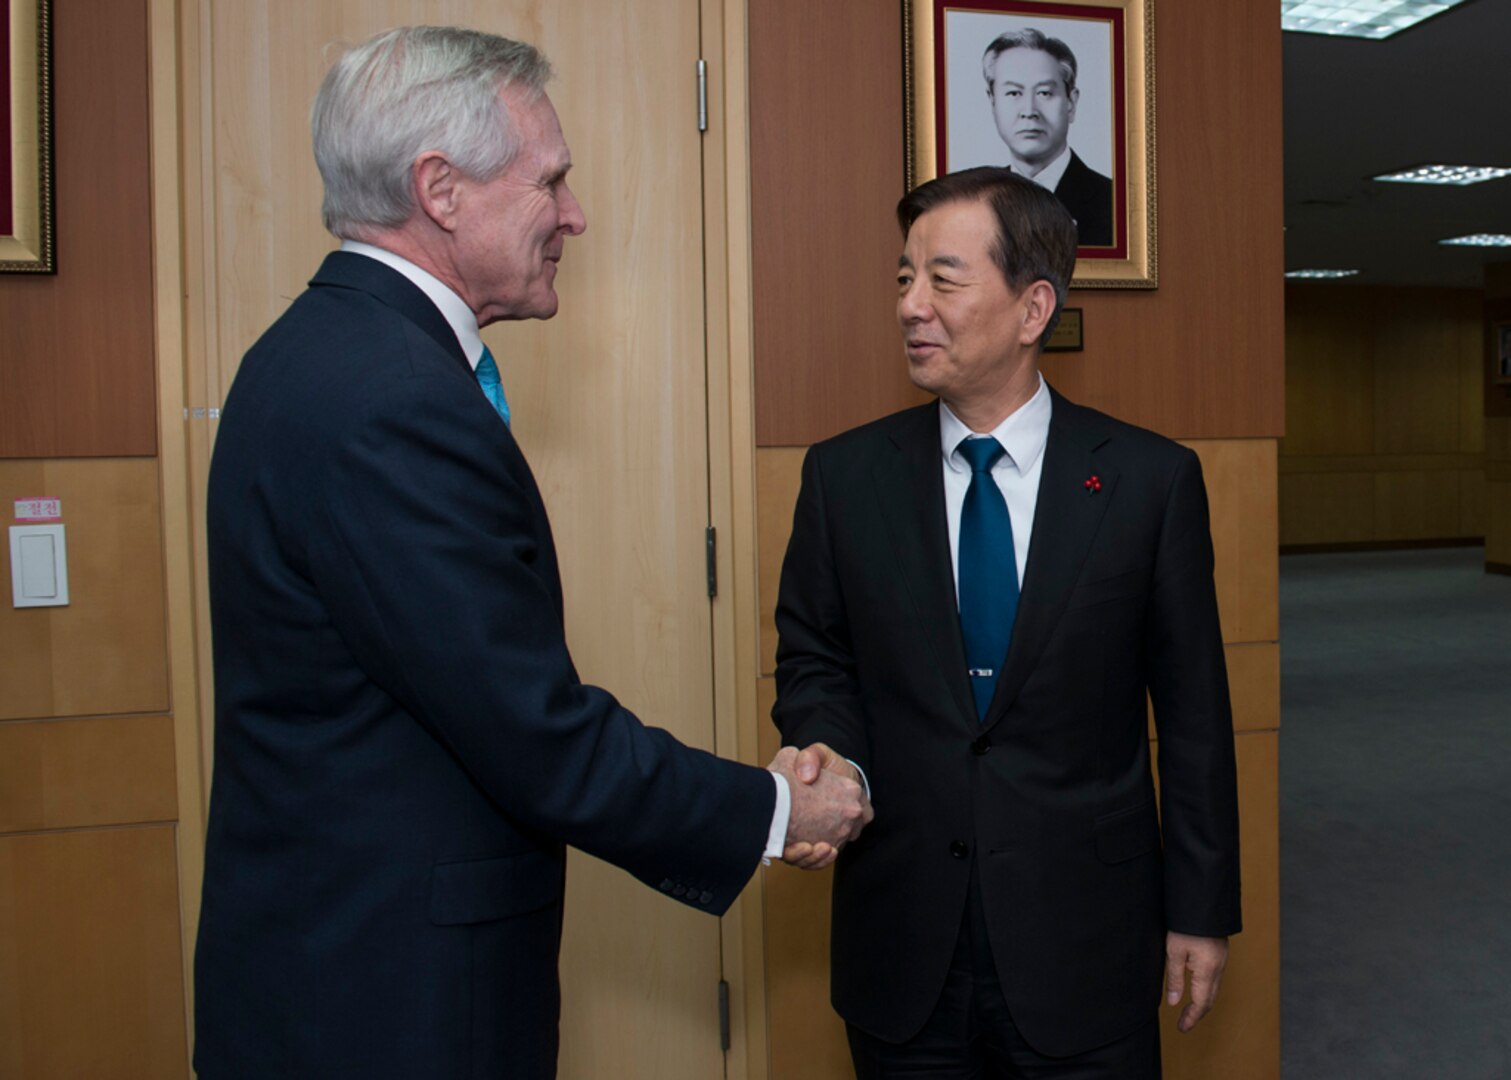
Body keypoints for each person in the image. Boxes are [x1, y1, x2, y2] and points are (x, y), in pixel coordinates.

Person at [193, 26, 869, 1080]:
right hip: (387, 1007)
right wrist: (777, 809)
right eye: (550, 179)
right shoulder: (390, 401)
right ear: (440, 188)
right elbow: (532, 733)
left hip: (332, 970)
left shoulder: (317, 352)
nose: (574, 213)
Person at [773, 168, 1240, 1078]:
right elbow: (815, 660)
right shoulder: (843, 478)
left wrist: (1199, 909)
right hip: (902, 937)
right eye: (902, 278)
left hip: (1086, 943)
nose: (911, 305)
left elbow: (1193, 722)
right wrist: (833, 759)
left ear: (1033, 309)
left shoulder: (1149, 483)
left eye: (941, 280)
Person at [983, 28, 1115, 247]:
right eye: (1014, 93)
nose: (1029, 110)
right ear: (992, 102)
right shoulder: (975, 204)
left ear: (1071, 103)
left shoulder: (1114, 202)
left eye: (1044, 93)